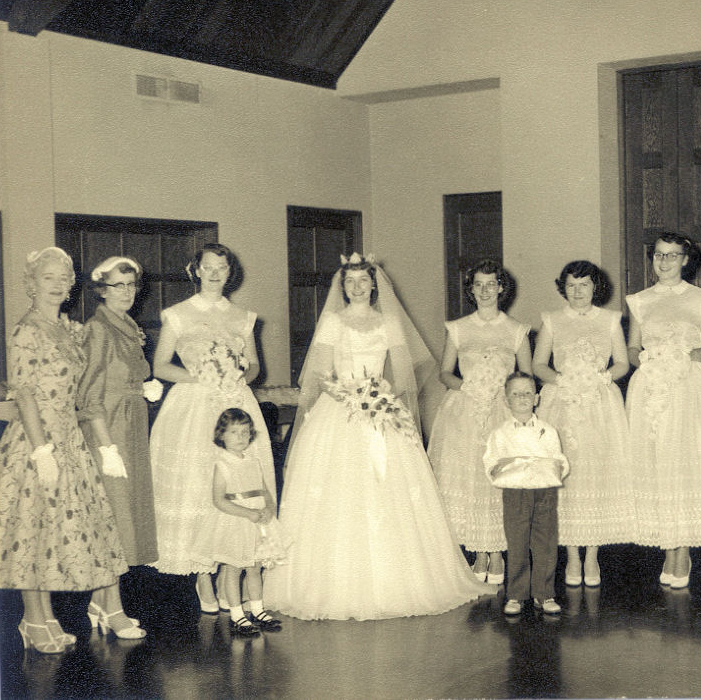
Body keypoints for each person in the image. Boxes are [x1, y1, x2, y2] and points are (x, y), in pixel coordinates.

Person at [263, 253, 492, 620]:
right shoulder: (333, 322)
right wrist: (351, 396)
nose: (357, 287)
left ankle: (399, 582)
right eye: (350, 281)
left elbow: (403, 376)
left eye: (363, 281)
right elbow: (321, 374)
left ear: (373, 285)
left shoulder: (388, 322)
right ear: (343, 287)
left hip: (381, 407)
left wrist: (383, 401)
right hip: (340, 410)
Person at [0, 247, 127, 653]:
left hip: (70, 438)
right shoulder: (25, 331)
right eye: (47, 278)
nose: (56, 285)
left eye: (63, 278)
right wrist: (41, 451)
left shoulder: (69, 330)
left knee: (54, 533)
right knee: (32, 531)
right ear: (31, 284)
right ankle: (33, 619)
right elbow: (26, 395)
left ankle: (47, 617)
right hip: (37, 440)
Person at [148, 243, 275, 615]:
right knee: (200, 484)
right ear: (197, 270)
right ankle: (203, 572)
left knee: (240, 483)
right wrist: (199, 377)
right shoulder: (177, 315)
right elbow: (160, 367)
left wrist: (239, 376)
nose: (216, 273)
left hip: (236, 403)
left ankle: (229, 571)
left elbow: (254, 366)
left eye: (222, 267)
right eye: (209, 267)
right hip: (194, 405)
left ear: (229, 271)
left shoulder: (243, 316)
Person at [625, 234, 701, 589]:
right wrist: (648, 360)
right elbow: (633, 348)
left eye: (672, 256)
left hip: (687, 387)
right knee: (656, 463)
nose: (664, 262)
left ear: (685, 260)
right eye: (658, 255)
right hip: (650, 387)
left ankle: (683, 551)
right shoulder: (639, 301)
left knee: (684, 462)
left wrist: (684, 357)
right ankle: (668, 545)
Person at [532, 260, 634, 588]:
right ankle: (572, 556)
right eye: (572, 286)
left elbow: (621, 363)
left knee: (596, 474)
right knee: (567, 476)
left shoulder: (610, 320)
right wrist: (564, 381)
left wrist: (599, 378)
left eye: (585, 285)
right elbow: (538, 364)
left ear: (595, 287)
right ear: (564, 287)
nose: (578, 292)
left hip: (599, 402)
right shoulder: (552, 320)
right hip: (561, 401)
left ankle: (592, 556)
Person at [429, 259, 532, 584]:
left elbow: (525, 375)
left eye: (491, 284)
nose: (485, 290)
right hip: (464, 410)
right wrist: (469, 386)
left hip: (502, 410)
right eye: (479, 285)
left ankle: (497, 551)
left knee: (496, 481)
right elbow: (445, 373)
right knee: (468, 479)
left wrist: (504, 394)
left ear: (501, 287)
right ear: (471, 290)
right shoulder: (458, 328)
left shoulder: (517, 330)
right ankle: (478, 551)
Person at [77, 256, 164, 639]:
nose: (126, 293)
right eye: (118, 286)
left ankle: (100, 601)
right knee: (113, 519)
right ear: (101, 289)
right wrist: (106, 447)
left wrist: (141, 388)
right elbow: (88, 394)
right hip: (109, 432)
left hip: (130, 427)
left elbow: (122, 375)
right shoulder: (98, 329)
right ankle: (113, 610)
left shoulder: (126, 326)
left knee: (124, 514)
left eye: (131, 285)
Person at [191, 408, 287, 636]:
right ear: (221, 435)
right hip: (235, 521)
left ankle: (257, 609)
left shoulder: (253, 461)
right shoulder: (222, 464)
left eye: (245, 432)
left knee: (254, 568)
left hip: (256, 522)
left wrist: (268, 509)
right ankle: (237, 615)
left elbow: (264, 491)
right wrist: (247, 513)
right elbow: (218, 500)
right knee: (233, 569)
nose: (241, 437)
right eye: (234, 432)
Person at [484, 372, 570, 615]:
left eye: (527, 393)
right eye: (516, 393)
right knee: (517, 543)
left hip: (544, 492)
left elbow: (558, 459)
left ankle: (544, 594)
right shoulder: (500, 433)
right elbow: (491, 460)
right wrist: (501, 467)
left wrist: (555, 470)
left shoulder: (548, 430)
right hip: (515, 493)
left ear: (537, 399)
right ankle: (516, 594)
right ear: (506, 400)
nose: (522, 397)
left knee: (545, 543)